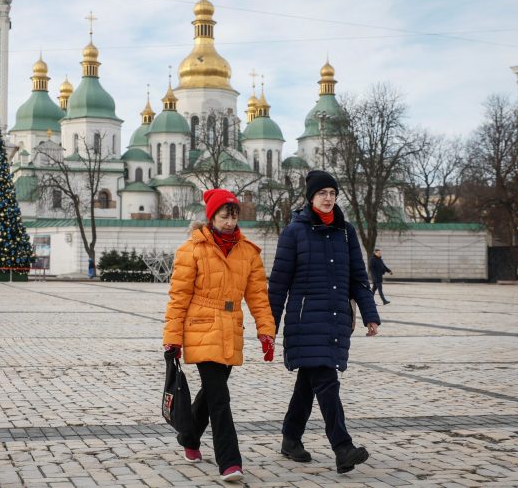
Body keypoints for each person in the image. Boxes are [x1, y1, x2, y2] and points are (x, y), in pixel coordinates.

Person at [268, 170, 381, 475]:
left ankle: (291, 438)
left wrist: (370, 314)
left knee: (309, 383)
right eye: (322, 194)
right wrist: (269, 326)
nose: (328, 198)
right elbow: (278, 284)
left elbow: (358, 278)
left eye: (332, 193)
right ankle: (342, 447)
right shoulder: (294, 232)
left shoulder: (346, 232)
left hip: (335, 320)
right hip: (305, 321)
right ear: (311, 197)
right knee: (327, 382)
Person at [162, 189, 276, 483]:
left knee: (213, 392)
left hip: (231, 328)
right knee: (220, 398)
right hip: (201, 325)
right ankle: (229, 461)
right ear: (211, 217)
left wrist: (266, 331)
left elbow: (258, 296)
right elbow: (178, 297)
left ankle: (189, 437)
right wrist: (172, 338)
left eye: (234, 215)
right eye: (224, 216)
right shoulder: (192, 249)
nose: (229, 221)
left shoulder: (248, 251)